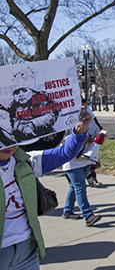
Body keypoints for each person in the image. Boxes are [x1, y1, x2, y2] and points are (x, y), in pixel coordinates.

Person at [0, 106, 92, 269]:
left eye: (13, 135)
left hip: (27, 251)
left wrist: (79, 132)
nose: (9, 142)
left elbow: (63, 153)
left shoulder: (24, 162)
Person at [61, 101, 103, 226]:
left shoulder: (89, 115)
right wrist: (77, 136)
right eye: (81, 107)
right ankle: (88, 215)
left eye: (85, 107)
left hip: (86, 157)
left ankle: (67, 210)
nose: (84, 110)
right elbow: (61, 139)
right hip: (71, 160)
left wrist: (94, 137)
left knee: (75, 187)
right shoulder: (65, 117)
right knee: (80, 187)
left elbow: (97, 129)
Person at [8, 67, 59, 143]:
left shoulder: (42, 101)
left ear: (33, 91)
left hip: (45, 138)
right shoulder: (13, 107)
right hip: (23, 141)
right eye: (17, 93)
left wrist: (32, 125)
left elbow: (50, 116)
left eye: (24, 91)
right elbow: (12, 120)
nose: (21, 95)